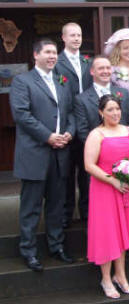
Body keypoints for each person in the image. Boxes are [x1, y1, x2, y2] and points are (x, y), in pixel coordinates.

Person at [9, 39, 75, 271]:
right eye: (47, 52)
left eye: (54, 53)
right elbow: (22, 115)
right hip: (35, 153)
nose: (52, 56)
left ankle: (56, 247)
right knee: (31, 206)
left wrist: (68, 133)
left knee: (56, 205)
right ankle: (28, 250)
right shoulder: (22, 81)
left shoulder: (62, 83)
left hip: (60, 154)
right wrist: (48, 136)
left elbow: (70, 113)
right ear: (35, 55)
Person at [84, 94, 129, 299]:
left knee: (123, 231)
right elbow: (89, 165)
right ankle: (106, 279)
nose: (115, 113)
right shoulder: (96, 134)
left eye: (117, 109)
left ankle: (121, 275)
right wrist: (113, 181)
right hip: (105, 189)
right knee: (108, 233)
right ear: (101, 112)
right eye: (110, 109)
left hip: (127, 189)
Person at [55, 22, 93, 228]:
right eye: (72, 35)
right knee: (67, 174)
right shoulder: (57, 62)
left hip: (87, 124)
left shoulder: (87, 61)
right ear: (64, 37)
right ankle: (66, 215)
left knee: (87, 174)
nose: (76, 39)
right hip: (67, 125)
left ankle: (87, 213)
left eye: (78, 35)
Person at [74, 56, 129, 143]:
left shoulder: (124, 93)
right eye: (101, 68)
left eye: (108, 68)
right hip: (98, 151)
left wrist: (127, 142)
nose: (105, 71)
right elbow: (83, 131)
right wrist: (103, 148)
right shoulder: (81, 99)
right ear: (92, 71)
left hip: (124, 146)